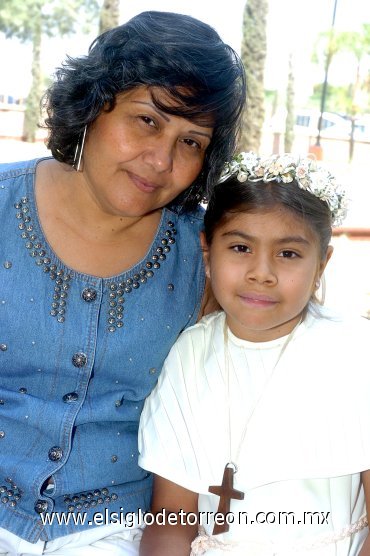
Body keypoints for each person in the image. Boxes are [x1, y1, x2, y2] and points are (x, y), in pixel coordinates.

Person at [0, 10, 246, 555]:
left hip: (110, 531)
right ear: (92, 104)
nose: (160, 161)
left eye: (191, 142)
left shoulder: (206, 254)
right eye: (148, 120)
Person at [138, 152, 370, 556]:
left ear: (322, 264)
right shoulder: (190, 355)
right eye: (241, 247)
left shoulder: (353, 352)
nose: (261, 272)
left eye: (289, 254)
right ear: (207, 251)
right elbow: (170, 519)